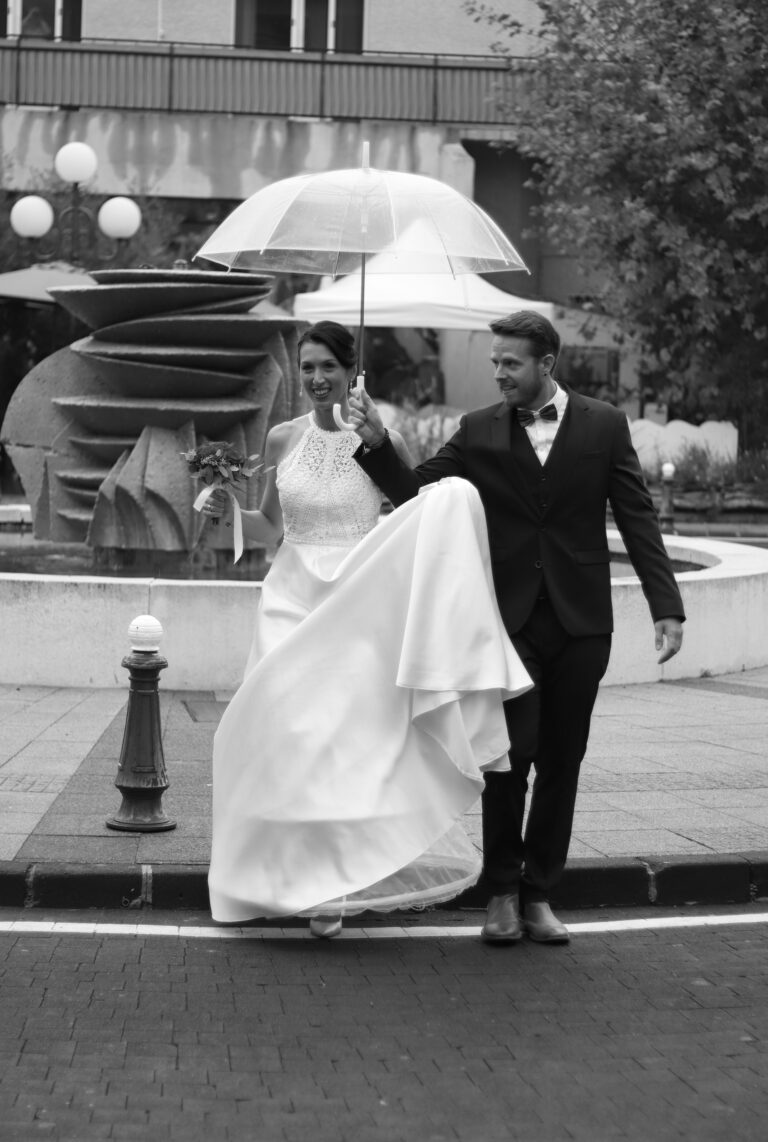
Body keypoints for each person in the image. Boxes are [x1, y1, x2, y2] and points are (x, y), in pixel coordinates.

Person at [349, 310, 685, 946]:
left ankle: (540, 894)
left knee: (563, 759)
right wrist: (376, 442)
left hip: (583, 622)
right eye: (495, 361)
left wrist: (665, 604)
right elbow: (417, 493)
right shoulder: (478, 429)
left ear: (546, 364)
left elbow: (637, 516)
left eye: (511, 362)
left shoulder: (605, 425)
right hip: (506, 622)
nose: (498, 373)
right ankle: (501, 891)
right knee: (510, 757)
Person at [204, 321, 532, 937]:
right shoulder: (281, 438)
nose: (316, 378)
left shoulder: (384, 437)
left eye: (328, 366)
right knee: (284, 736)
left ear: (351, 372)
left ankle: (332, 884)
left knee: (339, 744)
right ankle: (279, 874)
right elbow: (270, 528)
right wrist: (230, 513)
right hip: (289, 598)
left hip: (355, 601)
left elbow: (413, 510)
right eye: (307, 367)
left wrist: (378, 440)